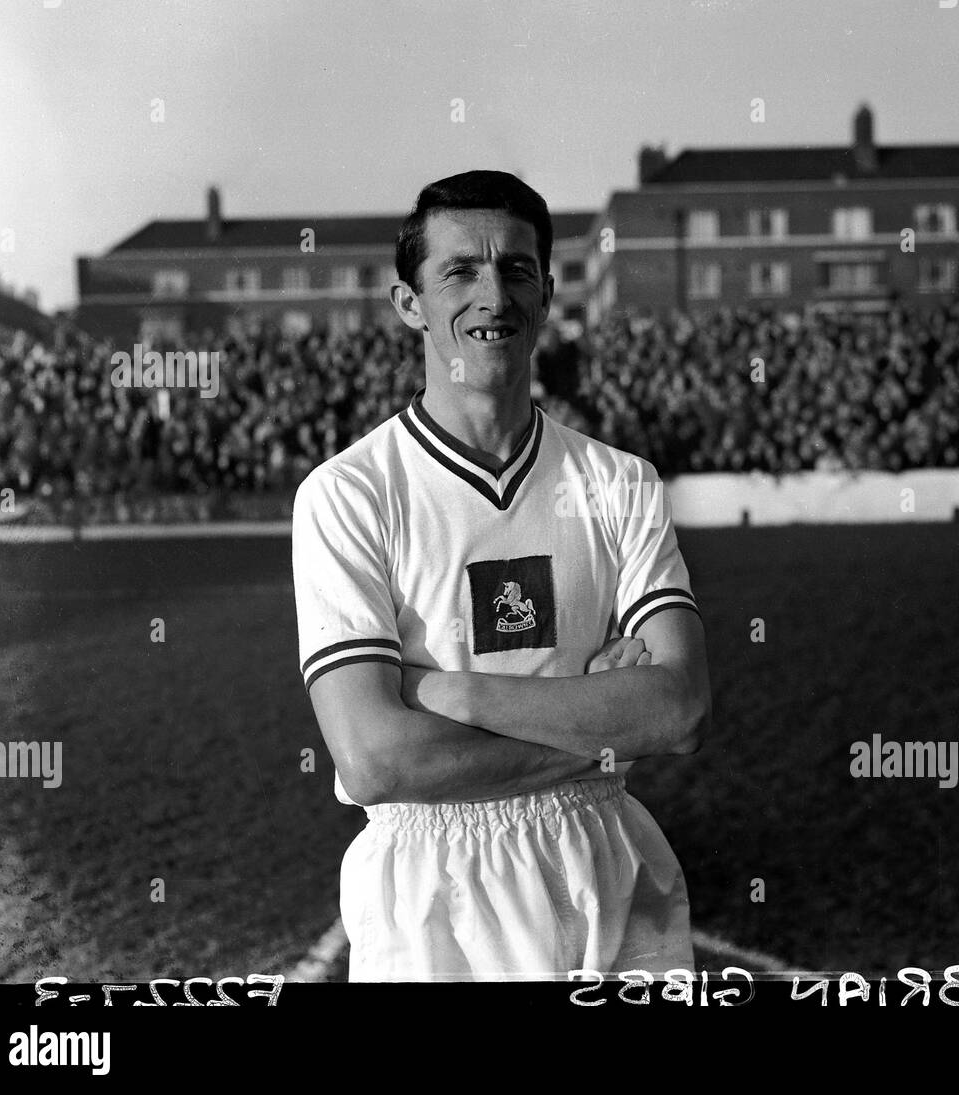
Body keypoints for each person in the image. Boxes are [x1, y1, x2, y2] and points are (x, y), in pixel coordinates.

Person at [291, 169, 712, 981]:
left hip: (607, 864)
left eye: (516, 268)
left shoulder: (621, 482)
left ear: (549, 292)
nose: (494, 294)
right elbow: (377, 761)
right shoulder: (347, 494)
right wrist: (604, 731)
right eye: (460, 271)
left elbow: (682, 707)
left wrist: (451, 692)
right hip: (433, 889)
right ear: (408, 303)